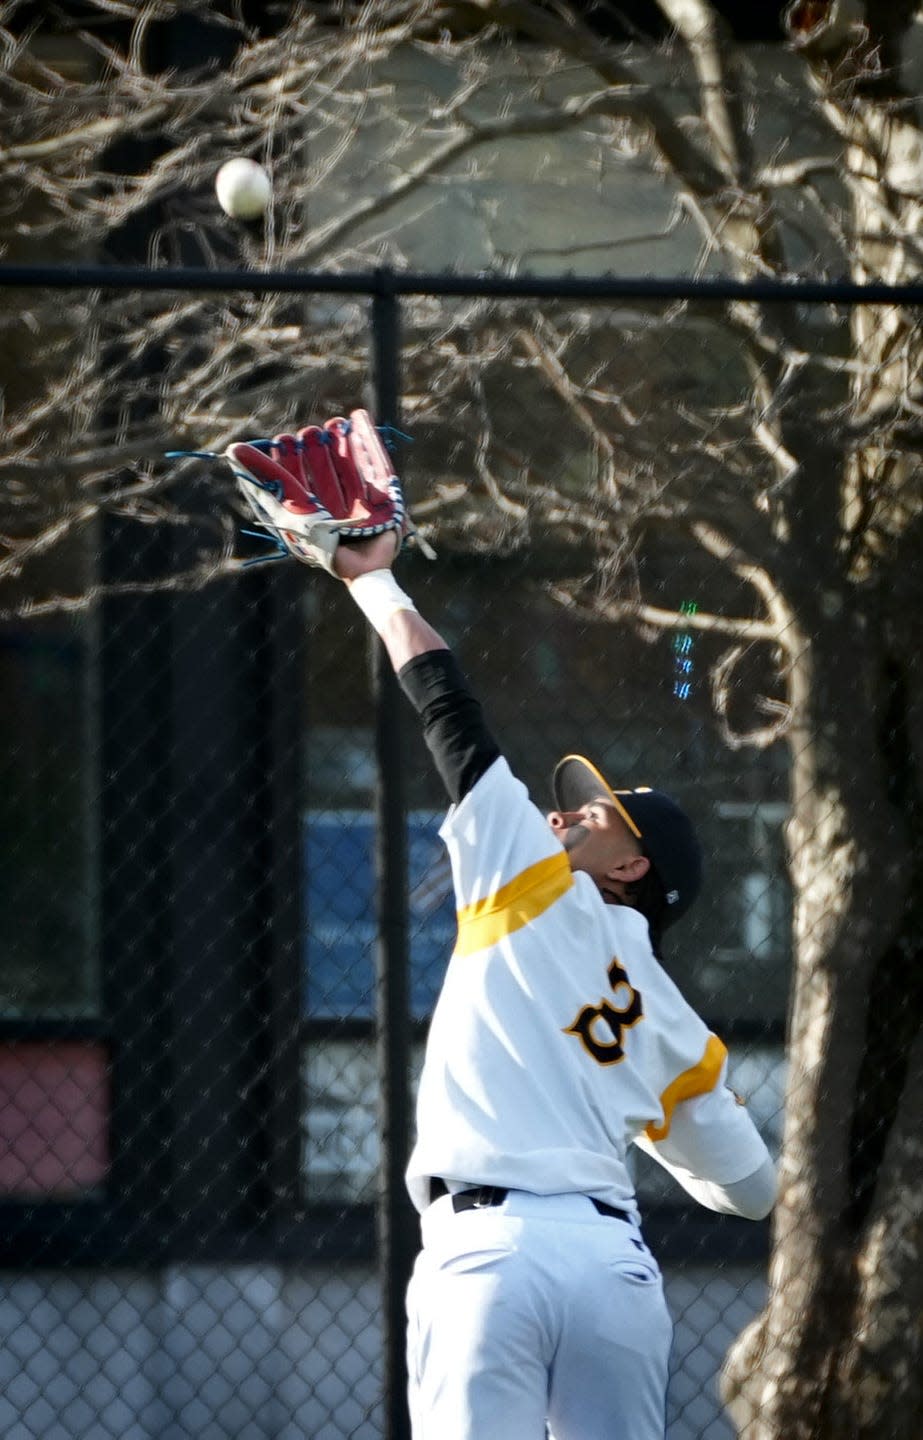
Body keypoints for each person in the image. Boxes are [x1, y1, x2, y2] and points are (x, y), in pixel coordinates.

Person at [225, 413, 777, 1440]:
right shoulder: (667, 1016)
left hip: (486, 1260)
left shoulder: (528, 877)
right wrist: (673, 1110)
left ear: (631, 867)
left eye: (596, 811)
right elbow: (749, 1193)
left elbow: (447, 708)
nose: (565, 811)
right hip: (614, 1272)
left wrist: (368, 579)